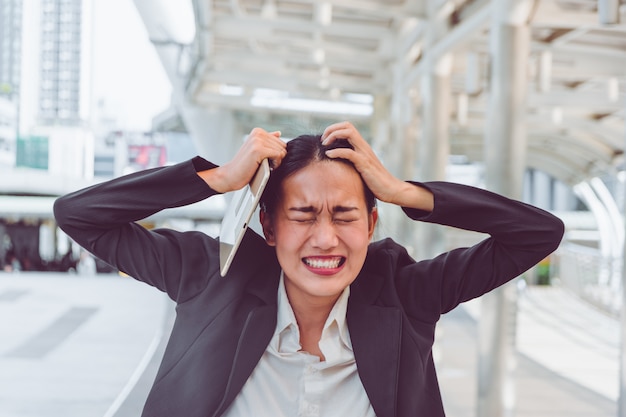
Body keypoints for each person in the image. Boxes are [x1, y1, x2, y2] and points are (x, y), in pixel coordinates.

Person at [54, 121, 564, 417]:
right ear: (269, 226)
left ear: (370, 223)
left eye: (345, 216)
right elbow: (79, 216)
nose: (325, 238)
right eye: (303, 216)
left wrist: (403, 191)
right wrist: (219, 178)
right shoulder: (212, 276)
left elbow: (537, 234)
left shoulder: (406, 293)